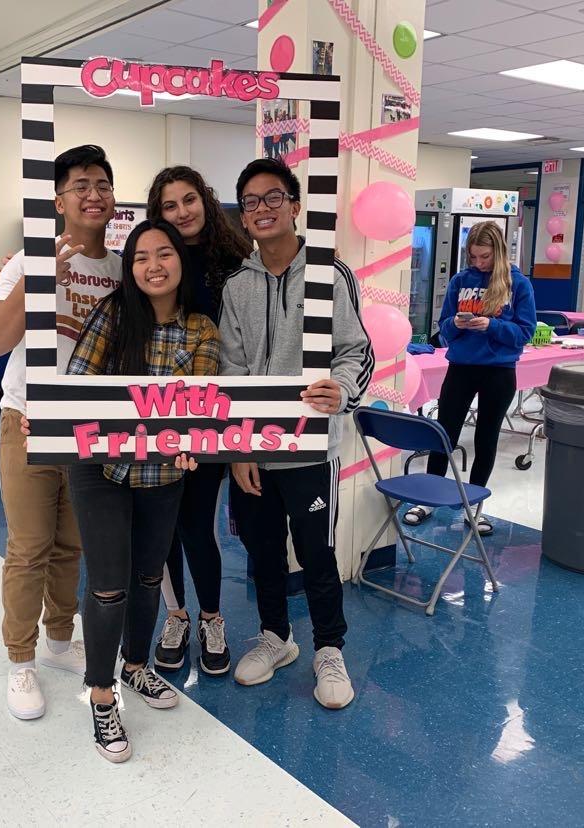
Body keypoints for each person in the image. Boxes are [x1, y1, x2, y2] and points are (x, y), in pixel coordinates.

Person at [25, 219, 220, 763]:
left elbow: (200, 402)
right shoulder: (113, 314)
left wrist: (193, 443)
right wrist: (51, 419)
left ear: (180, 261)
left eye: (164, 254)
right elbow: (78, 383)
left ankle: (135, 666)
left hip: (163, 475)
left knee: (148, 576)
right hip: (101, 469)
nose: (153, 266)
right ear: (130, 267)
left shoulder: (201, 329)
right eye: (140, 257)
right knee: (109, 587)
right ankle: (101, 694)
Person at [220, 157, 374, 710]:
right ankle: (276, 637)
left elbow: (356, 350)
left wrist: (342, 388)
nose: (262, 209)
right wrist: (237, 447)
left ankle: (329, 649)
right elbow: (231, 371)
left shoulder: (329, 274)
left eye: (273, 198)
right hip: (254, 453)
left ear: (294, 205)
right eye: (251, 202)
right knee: (262, 553)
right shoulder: (236, 286)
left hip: (310, 449)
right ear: (243, 217)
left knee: (316, 554)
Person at [0, 144, 120, 721]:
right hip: (27, 420)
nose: (93, 194)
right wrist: (39, 281)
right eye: (80, 185)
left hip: (90, 431)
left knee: (72, 544)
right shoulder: (26, 262)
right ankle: (21, 660)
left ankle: (60, 640)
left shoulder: (122, 270)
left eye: (102, 184)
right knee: (28, 546)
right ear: (59, 201)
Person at [145, 166, 252, 675]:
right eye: (170, 205)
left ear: (205, 201)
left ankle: (211, 617)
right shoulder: (155, 260)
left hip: (212, 415)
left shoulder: (237, 262)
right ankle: (177, 616)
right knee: (162, 527)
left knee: (196, 524)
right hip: (155, 417)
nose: (182, 212)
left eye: (189, 200)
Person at [403, 220, 536, 536]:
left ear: (498, 252)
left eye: (485, 257)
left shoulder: (518, 284)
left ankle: (474, 508)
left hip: (499, 371)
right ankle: (428, 500)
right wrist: (457, 325)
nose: (479, 263)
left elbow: (525, 332)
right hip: (461, 367)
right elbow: (444, 327)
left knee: (485, 439)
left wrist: (492, 326)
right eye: (473, 256)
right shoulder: (460, 280)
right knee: (444, 435)